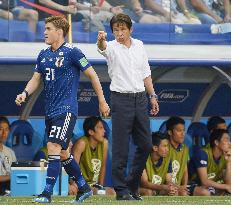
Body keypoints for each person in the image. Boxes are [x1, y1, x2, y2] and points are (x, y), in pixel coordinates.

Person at [15, 16, 110, 203]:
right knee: (64, 153)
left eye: (48, 28)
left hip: (66, 110)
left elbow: (93, 75)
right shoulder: (43, 54)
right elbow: (36, 79)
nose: (44, 32)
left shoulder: (73, 52)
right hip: (50, 111)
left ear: (59, 32)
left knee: (53, 147)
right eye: (45, 28)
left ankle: (46, 193)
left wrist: (102, 100)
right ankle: (84, 188)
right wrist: (25, 93)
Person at [97, 13, 159, 200]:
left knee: (147, 144)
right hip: (120, 99)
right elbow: (102, 48)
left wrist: (153, 96)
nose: (119, 33)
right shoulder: (111, 47)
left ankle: (133, 184)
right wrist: (100, 40)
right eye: (116, 29)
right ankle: (121, 190)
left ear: (130, 29)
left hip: (140, 98)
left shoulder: (139, 45)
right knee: (121, 148)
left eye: (123, 29)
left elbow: (145, 73)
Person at [72, 116, 115, 196]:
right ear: (91, 132)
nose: (104, 131)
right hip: (80, 184)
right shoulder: (81, 143)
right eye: (100, 128)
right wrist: (76, 185)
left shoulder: (104, 143)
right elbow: (73, 168)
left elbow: (103, 166)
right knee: (97, 192)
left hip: (94, 185)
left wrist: (100, 186)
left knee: (112, 192)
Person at [188, 129, 231, 195]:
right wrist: (225, 186)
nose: (229, 143)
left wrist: (228, 162)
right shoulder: (202, 154)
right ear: (216, 142)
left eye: (229, 140)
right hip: (193, 184)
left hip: (211, 186)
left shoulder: (224, 156)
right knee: (205, 193)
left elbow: (228, 183)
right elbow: (204, 181)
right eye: (226, 140)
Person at [140, 132, 178, 196]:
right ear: (155, 148)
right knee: (148, 192)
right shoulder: (143, 158)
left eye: (167, 146)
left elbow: (168, 180)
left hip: (157, 189)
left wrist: (170, 187)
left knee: (173, 192)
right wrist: (163, 187)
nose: (167, 149)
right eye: (164, 146)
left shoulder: (167, 159)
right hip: (140, 189)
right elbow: (144, 183)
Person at [166, 116, 189, 195]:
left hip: (179, 187)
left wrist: (184, 186)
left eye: (184, 130)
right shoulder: (164, 148)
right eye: (179, 130)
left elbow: (185, 170)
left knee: (184, 193)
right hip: (166, 186)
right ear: (170, 132)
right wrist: (176, 187)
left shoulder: (185, 148)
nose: (183, 134)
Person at [0, 116, 17, 196]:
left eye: (6, 130)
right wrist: (11, 177)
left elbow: (16, 172)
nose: (4, 133)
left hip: (9, 188)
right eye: (0, 129)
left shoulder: (10, 152)